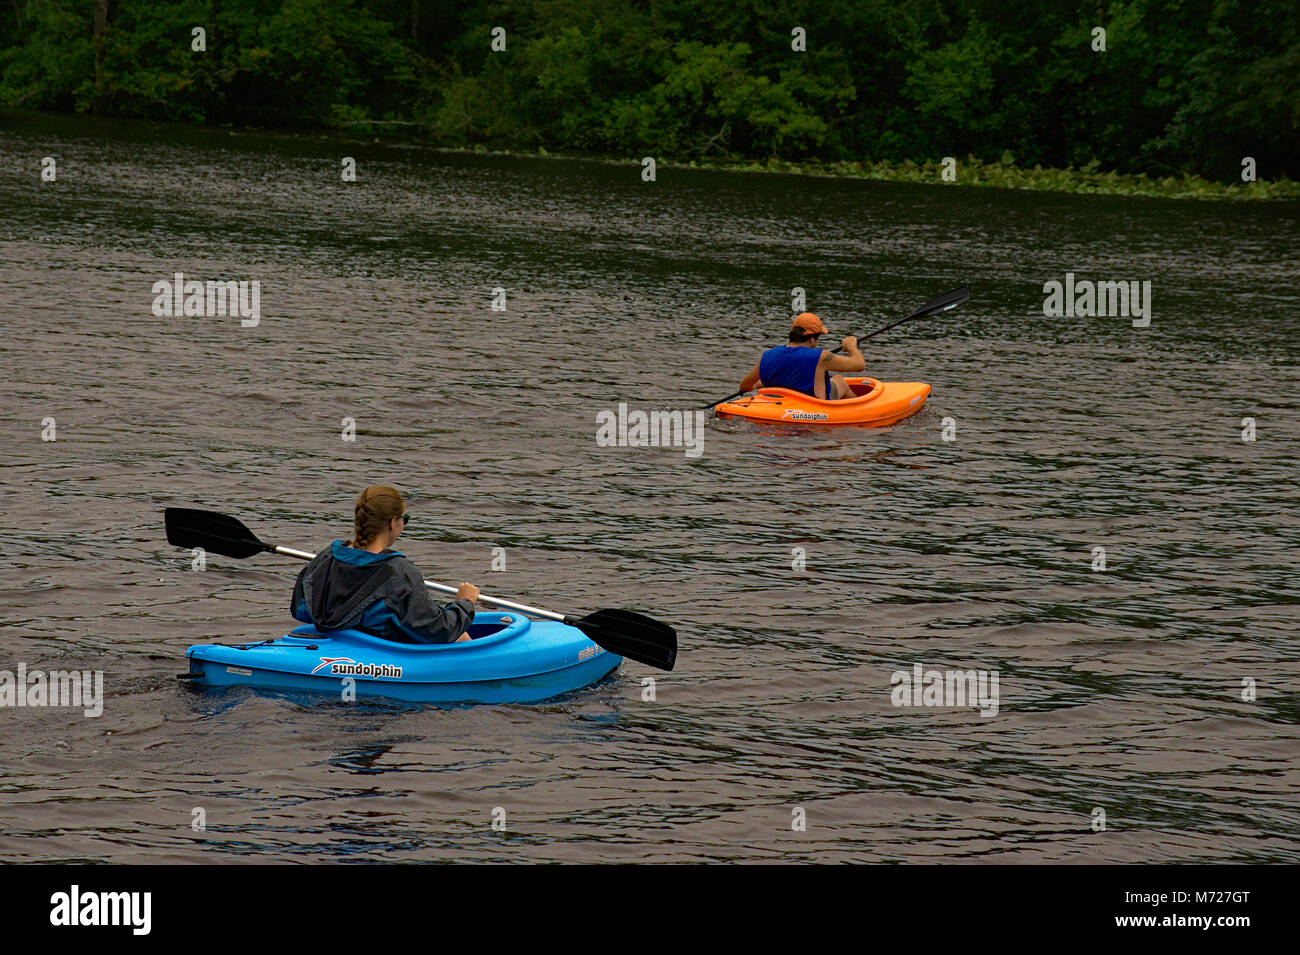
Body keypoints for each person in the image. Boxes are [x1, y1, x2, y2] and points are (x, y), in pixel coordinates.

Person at [291, 486, 480, 643]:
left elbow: (299, 608)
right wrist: (465, 602)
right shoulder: (399, 572)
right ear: (392, 523)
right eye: (404, 520)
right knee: (460, 636)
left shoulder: (327, 557)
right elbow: (438, 631)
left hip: (338, 641)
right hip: (381, 652)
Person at [737, 313, 865, 400]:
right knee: (840, 381)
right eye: (818, 338)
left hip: (778, 403)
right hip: (811, 406)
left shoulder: (768, 355)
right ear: (811, 339)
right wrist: (851, 346)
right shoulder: (822, 357)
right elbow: (859, 365)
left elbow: (744, 386)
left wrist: (760, 383)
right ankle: (857, 412)